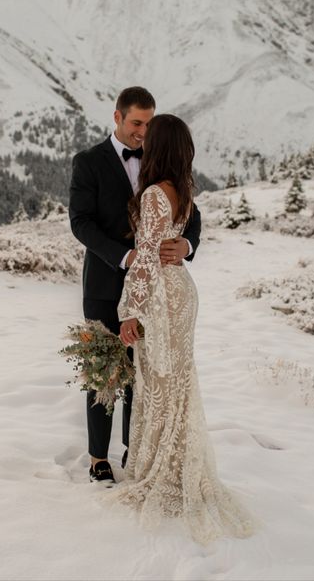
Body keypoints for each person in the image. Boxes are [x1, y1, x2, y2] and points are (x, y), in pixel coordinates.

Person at [113, 114, 256, 545]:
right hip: (180, 294)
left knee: (159, 381)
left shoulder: (156, 194)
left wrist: (129, 311)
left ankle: (163, 470)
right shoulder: (183, 191)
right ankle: (172, 463)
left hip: (161, 296)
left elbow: (146, 258)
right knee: (172, 383)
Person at [69, 87, 202, 486]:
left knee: (144, 374)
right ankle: (98, 457)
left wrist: (187, 243)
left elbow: (191, 214)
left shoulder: (161, 160)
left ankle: (136, 448)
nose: (143, 133)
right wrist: (125, 258)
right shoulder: (88, 162)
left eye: (149, 123)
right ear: (117, 117)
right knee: (105, 373)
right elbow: (81, 222)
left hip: (158, 290)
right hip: (106, 283)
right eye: (136, 123)